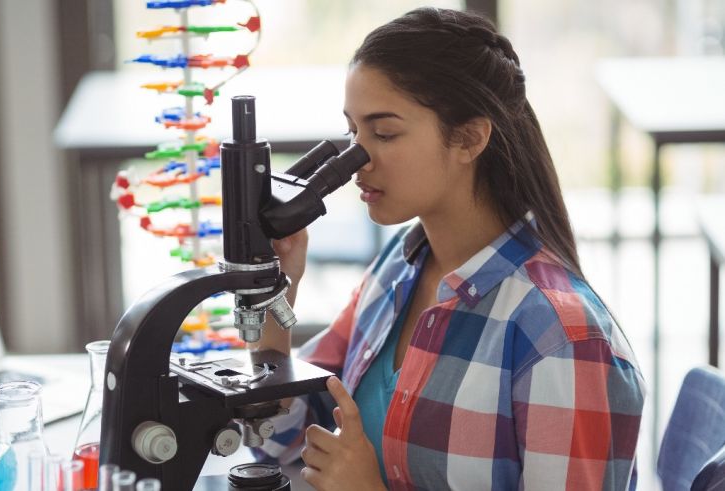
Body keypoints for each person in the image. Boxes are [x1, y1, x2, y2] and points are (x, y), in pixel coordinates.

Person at [249, 7, 645, 491]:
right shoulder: (400, 264)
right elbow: (283, 442)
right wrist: (275, 296)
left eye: (385, 133)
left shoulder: (562, 342)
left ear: (470, 138)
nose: (357, 160)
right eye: (353, 132)